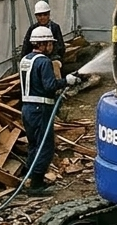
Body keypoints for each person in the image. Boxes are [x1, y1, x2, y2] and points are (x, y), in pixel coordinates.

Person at [20, 25, 80, 196]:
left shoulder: (26, 60)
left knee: (33, 144)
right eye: (50, 44)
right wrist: (66, 81)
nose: (52, 47)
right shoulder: (44, 62)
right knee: (45, 146)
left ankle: (30, 178)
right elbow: (49, 86)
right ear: (43, 44)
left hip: (27, 109)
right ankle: (36, 185)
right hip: (41, 109)